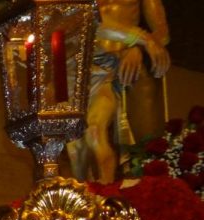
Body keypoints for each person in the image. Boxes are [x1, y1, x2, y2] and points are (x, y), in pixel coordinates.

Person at [66, 0, 171, 182]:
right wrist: (140, 40)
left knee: (96, 131)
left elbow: (162, 34)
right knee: (75, 145)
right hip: (81, 67)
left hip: (119, 65)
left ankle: (112, 188)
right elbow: (79, 20)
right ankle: (84, 194)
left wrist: (137, 48)